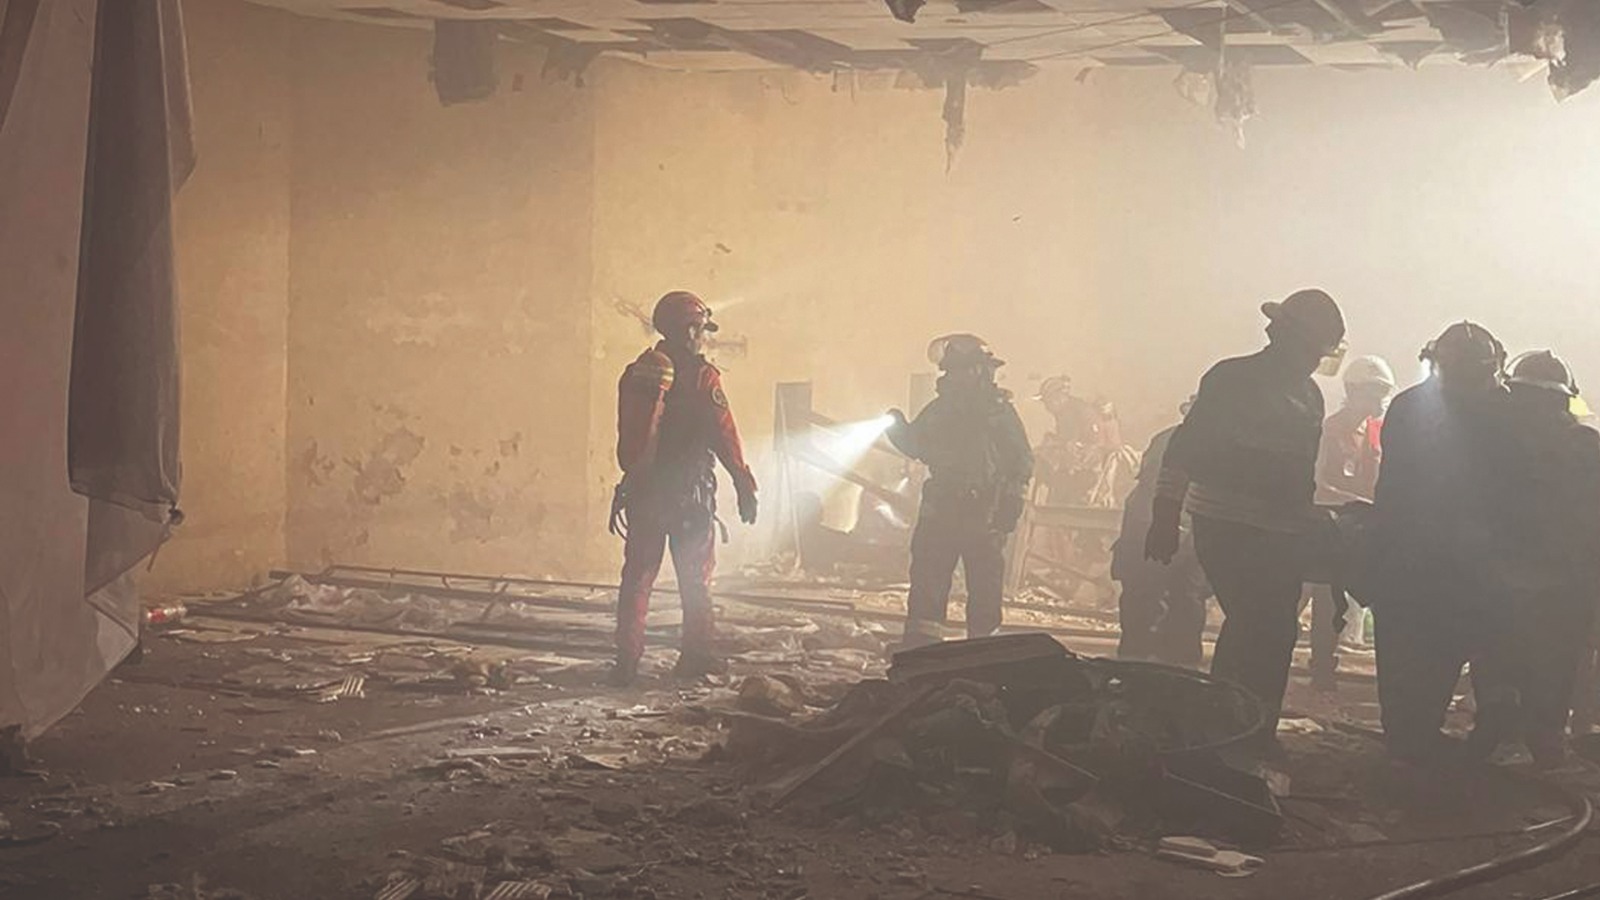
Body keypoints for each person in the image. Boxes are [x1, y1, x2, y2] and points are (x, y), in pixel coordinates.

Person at [1147, 289, 1346, 743]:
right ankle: (1228, 729)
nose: (1315, 361)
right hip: (1227, 524)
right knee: (1256, 624)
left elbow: (1299, 472)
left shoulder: (1310, 395)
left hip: (1281, 533)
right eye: (1313, 351)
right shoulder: (1231, 380)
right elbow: (1185, 450)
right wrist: (1165, 516)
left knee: (1273, 630)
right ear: (1284, 338)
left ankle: (1249, 730)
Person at [1368, 322, 1513, 762]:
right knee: (1442, 647)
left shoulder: (1409, 406)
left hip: (1411, 557)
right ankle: (1416, 736)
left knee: (1407, 652)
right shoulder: (1497, 413)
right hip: (1458, 562)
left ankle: (1408, 737)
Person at [609, 291, 758, 686]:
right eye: (700, 330)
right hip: (689, 497)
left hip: (645, 494)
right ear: (689, 330)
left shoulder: (639, 373)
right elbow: (724, 434)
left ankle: (626, 662)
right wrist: (743, 483)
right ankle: (696, 657)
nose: (702, 338)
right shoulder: (702, 377)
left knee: (637, 579)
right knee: (695, 579)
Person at [887, 334, 1033, 648]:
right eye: (951, 370)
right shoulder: (940, 410)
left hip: (983, 509)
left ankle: (981, 647)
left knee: (984, 581)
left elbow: (1021, 458)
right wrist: (897, 428)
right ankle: (922, 645)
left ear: (977, 370)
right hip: (942, 505)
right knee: (929, 575)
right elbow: (917, 444)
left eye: (960, 369)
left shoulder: (998, 412)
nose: (954, 376)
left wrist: (1012, 498)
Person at [1492, 351, 1600, 764]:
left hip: (1526, 577)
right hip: (1562, 581)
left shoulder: (1498, 443)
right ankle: (1540, 737)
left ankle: (1514, 734)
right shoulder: (1585, 445)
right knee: (1556, 664)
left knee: (1515, 660)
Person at [1304, 355, 1395, 690]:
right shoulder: (1328, 431)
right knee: (1320, 595)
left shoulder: (1376, 433)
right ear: (1353, 391)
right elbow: (1315, 485)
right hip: (1325, 523)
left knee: (1338, 601)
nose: (1379, 399)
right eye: (1373, 391)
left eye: (1383, 392)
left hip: (1359, 526)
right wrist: (1361, 503)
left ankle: (1324, 665)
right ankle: (1319, 667)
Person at [1113, 396, 1212, 668]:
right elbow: (1153, 488)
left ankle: (1142, 661)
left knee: (1158, 598)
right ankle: (1167, 663)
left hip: (1166, 529)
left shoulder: (1168, 439)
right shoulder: (1187, 442)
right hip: (1165, 529)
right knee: (1172, 598)